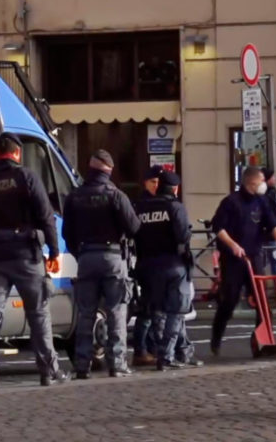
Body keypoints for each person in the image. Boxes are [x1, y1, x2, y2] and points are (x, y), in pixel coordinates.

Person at [0, 132, 68, 389]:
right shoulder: (26, 177)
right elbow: (46, 216)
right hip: (26, 254)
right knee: (38, 313)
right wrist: (54, 252)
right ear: (17, 153)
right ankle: (48, 371)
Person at [62, 150, 141, 379]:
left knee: (86, 313)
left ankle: (82, 366)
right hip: (113, 257)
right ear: (109, 170)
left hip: (86, 257)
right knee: (116, 311)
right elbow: (134, 227)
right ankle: (116, 364)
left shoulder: (75, 197)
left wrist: (81, 252)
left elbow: (67, 233)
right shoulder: (116, 195)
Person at [209, 166, 276, 355]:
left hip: (255, 255)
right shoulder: (230, 202)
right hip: (234, 259)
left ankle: (261, 340)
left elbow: (273, 225)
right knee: (230, 301)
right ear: (252, 182)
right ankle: (216, 338)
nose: (264, 184)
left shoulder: (262, 201)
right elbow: (218, 227)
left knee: (262, 301)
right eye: (261, 181)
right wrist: (233, 245)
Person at [134, 171, 201, 370]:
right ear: (175, 188)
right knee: (176, 311)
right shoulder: (175, 207)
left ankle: (161, 352)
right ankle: (167, 356)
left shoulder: (142, 208)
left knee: (157, 312)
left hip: (148, 266)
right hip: (174, 265)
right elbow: (183, 236)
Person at [131, 165, 165, 367]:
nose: (156, 186)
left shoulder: (163, 202)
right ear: (146, 182)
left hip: (157, 262)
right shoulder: (139, 204)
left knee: (155, 309)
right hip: (145, 262)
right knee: (148, 309)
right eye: (153, 182)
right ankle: (142, 349)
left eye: (159, 183)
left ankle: (150, 348)